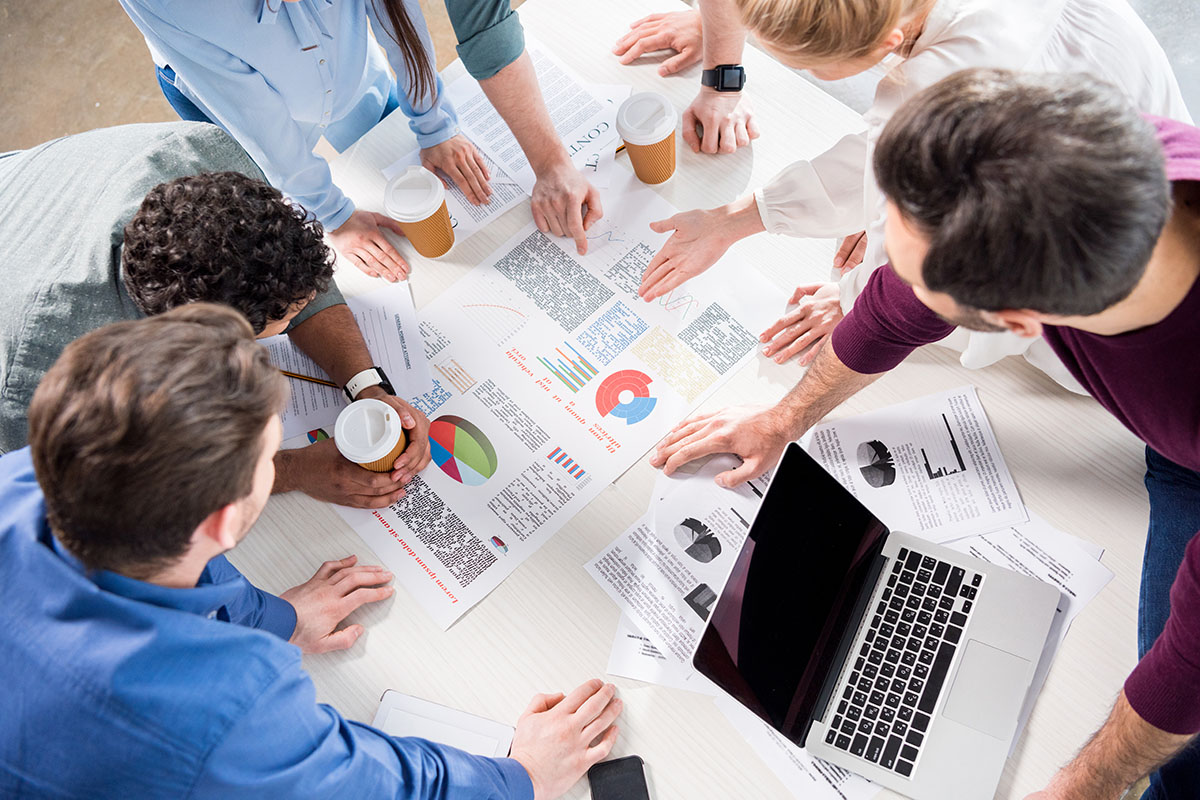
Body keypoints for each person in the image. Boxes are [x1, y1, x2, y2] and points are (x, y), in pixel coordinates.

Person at [653, 69, 1200, 798]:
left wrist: (1079, 786)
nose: (891, 277)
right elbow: (893, 308)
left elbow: (1189, 668)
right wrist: (782, 420)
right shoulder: (1080, 156)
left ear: (1015, 326)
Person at [0, 303, 622, 798]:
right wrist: (526, 778)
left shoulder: (33, 471)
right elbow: (372, 786)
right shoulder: (226, 705)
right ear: (221, 520)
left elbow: (186, 563)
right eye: (269, 460)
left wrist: (279, 619)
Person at [620, 0, 1188, 385]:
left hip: (1099, 289)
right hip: (1165, 177)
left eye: (809, 64)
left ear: (887, 44)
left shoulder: (934, 101)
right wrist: (740, 217)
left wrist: (853, 296)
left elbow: (918, 274)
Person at [0, 121, 429, 509]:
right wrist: (294, 471)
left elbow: (291, 277)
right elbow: (102, 484)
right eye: (269, 334)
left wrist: (366, 385)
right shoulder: (41, 379)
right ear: (201, 337)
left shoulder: (202, 152)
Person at [119, 0, 603, 282]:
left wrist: (432, 123)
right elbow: (260, 122)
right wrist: (335, 216)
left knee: (378, 136)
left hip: (349, 62)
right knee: (268, 205)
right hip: (229, 94)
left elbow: (396, 14)